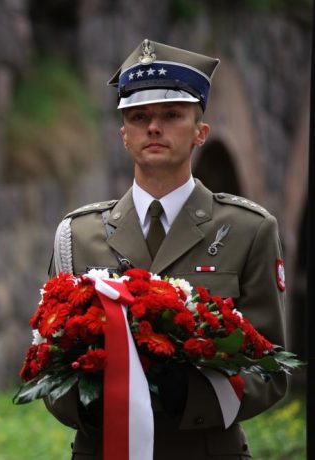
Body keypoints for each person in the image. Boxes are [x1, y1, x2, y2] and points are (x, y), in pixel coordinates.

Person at [47, 39, 288, 459]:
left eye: (172, 115)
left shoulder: (249, 230)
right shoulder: (78, 233)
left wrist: (193, 396)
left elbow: (270, 369)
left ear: (201, 133)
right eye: (139, 117)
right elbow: (48, 362)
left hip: (207, 447)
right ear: (124, 135)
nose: (153, 128)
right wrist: (93, 403)